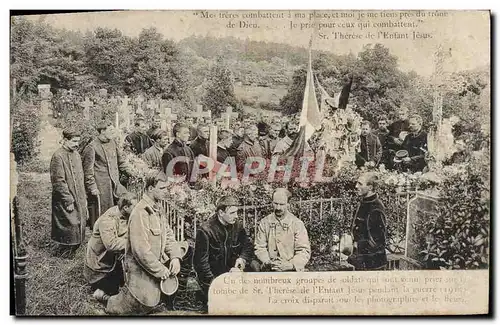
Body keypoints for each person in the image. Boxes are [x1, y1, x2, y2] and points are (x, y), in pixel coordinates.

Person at [105, 171, 182, 315]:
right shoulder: (140, 213)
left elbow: (169, 236)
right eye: (162, 188)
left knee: (151, 305)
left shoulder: (157, 208)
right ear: (150, 189)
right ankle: (106, 300)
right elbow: (140, 250)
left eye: (167, 188)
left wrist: (175, 257)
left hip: (153, 271)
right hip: (140, 273)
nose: (166, 192)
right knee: (132, 308)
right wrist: (161, 270)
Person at [193, 195, 253, 308]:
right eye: (232, 213)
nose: (236, 216)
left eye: (237, 212)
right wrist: (215, 284)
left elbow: (248, 246)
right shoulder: (206, 231)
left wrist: (242, 259)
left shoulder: (238, 227)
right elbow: (201, 264)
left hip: (233, 274)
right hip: (213, 279)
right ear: (221, 213)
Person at [84, 193, 137, 300]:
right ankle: (102, 295)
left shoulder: (126, 214)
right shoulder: (108, 220)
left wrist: (123, 250)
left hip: (111, 260)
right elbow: (111, 244)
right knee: (116, 292)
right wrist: (133, 244)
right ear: (125, 208)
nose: (137, 211)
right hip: (100, 268)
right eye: (134, 207)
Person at [82, 121, 132, 229]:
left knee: (126, 202)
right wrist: (92, 187)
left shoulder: (113, 142)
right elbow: (88, 171)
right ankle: (100, 234)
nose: (113, 133)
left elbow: (121, 162)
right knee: (103, 212)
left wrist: (131, 172)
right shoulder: (92, 147)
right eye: (111, 130)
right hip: (101, 186)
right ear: (102, 131)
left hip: (115, 183)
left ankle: (117, 230)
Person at [253, 188, 311, 272]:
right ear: (272, 203)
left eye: (282, 204)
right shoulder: (265, 222)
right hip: (269, 269)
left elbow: (304, 250)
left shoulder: (297, 224)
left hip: (291, 270)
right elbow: (259, 247)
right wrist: (268, 261)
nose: (278, 208)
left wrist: (291, 265)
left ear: (288, 205)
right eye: (275, 203)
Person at [50, 128, 88, 249]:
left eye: (78, 141)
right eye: (73, 141)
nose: (76, 144)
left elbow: (80, 176)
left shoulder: (76, 154)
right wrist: (68, 200)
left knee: (79, 221)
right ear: (65, 140)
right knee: (68, 223)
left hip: (79, 195)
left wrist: (83, 196)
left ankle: (76, 247)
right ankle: (65, 250)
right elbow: (58, 181)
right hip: (65, 197)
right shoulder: (58, 156)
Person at [348, 172, 387, 270]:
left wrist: (356, 245)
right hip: (362, 260)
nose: (356, 186)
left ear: (370, 187)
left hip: (373, 264)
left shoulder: (376, 208)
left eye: (360, 184)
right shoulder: (364, 202)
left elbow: (378, 242)